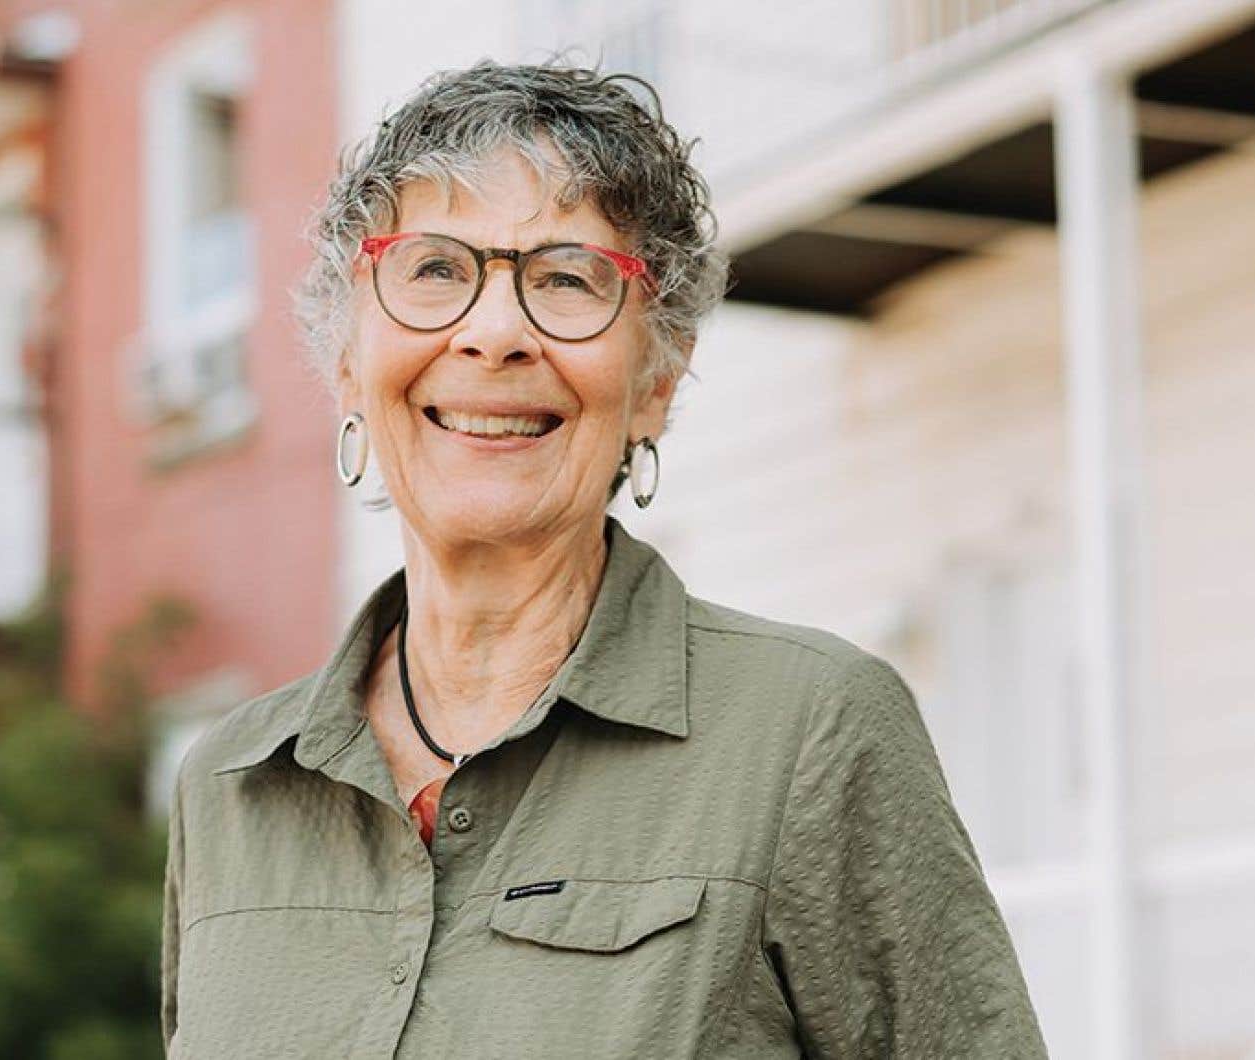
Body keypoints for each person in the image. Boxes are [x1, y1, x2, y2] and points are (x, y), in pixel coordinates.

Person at [160, 59, 1050, 1059]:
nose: (494, 333)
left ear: (657, 378)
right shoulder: (230, 785)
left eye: (567, 279)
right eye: (435, 270)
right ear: (345, 363)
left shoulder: (811, 731)